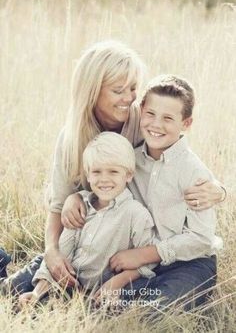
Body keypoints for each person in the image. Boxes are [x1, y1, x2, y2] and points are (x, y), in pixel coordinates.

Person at [0, 40, 225, 295]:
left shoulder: (143, 120)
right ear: (93, 91)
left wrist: (219, 189)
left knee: (139, 303)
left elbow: (176, 156)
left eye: (132, 89)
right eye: (119, 90)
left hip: (139, 246)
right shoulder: (72, 137)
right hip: (94, 240)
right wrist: (52, 251)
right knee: (13, 291)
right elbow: (58, 205)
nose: (128, 98)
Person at [108, 75, 223, 310]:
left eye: (168, 118)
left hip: (188, 262)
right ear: (141, 111)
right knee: (106, 302)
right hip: (141, 261)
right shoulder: (131, 159)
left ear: (186, 123)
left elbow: (200, 239)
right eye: (150, 114)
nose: (156, 125)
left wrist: (145, 255)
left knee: (155, 308)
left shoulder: (193, 171)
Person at [18, 132, 157, 307]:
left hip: (105, 294)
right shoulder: (79, 207)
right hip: (67, 289)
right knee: (22, 297)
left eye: (113, 171)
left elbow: (147, 263)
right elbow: (62, 253)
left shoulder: (136, 215)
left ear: (128, 175)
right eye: (97, 171)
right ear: (88, 175)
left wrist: (117, 283)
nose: (104, 179)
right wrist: (37, 293)